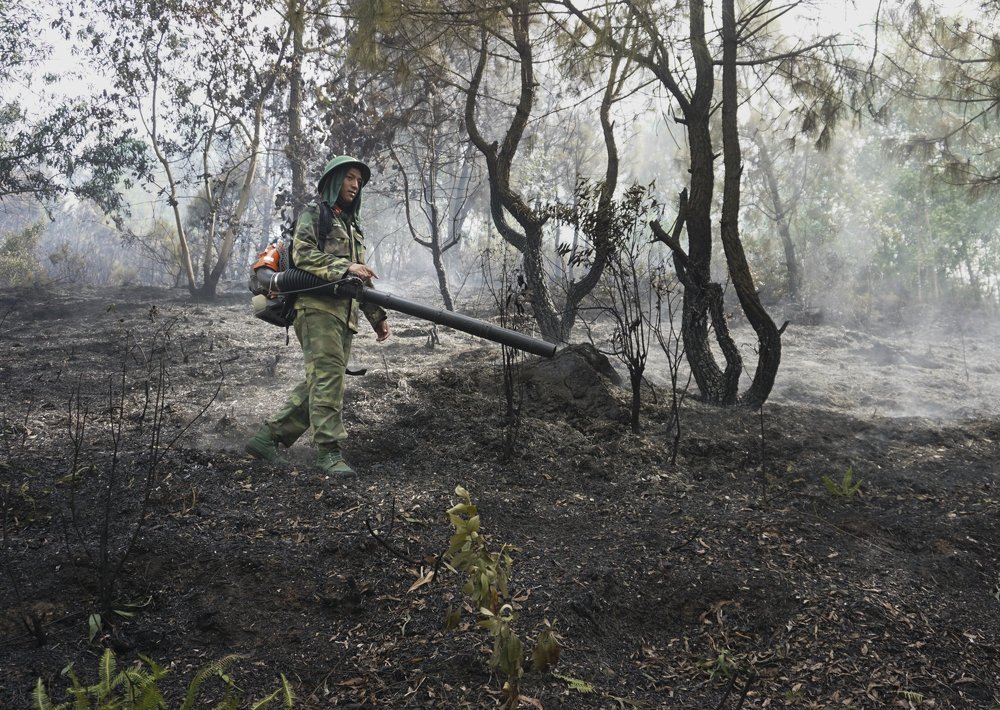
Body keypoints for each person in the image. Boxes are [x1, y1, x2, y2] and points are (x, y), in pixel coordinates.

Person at [244, 155, 391, 475]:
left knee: (323, 381)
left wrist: (376, 316)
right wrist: (343, 267)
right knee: (328, 380)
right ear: (334, 180)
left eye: (359, 181)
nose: (356, 185)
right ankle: (328, 452)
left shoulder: (354, 229)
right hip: (315, 309)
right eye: (350, 177)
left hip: (344, 316)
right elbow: (303, 255)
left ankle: (267, 438)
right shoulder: (315, 214)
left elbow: (359, 280)